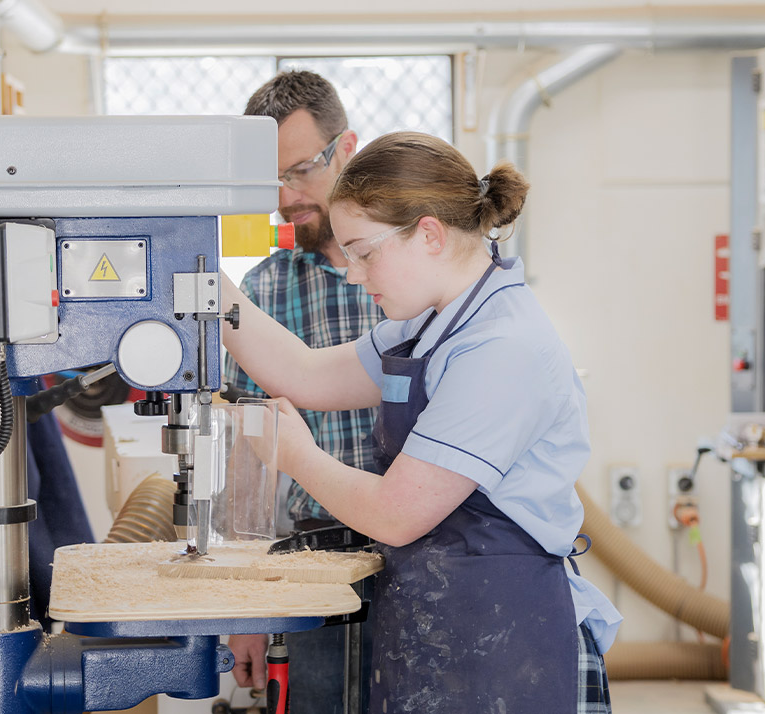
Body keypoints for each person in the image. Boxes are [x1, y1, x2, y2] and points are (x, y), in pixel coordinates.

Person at [222, 132, 621, 712]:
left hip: (508, 646)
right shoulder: (433, 325)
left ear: (429, 233)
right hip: (443, 625)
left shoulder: (501, 346)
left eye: (363, 251)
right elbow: (302, 373)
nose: (355, 275)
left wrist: (298, 456)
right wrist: (204, 279)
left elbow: (397, 513)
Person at [224, 70, 382, 713]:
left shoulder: (417, 278)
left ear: (346, 149)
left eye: (300, 171)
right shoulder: (262, 292)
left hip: (427, 561)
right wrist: (248, 603)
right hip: (308, 565)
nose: (286, 199)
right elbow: (244, 453)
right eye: (272, 182)